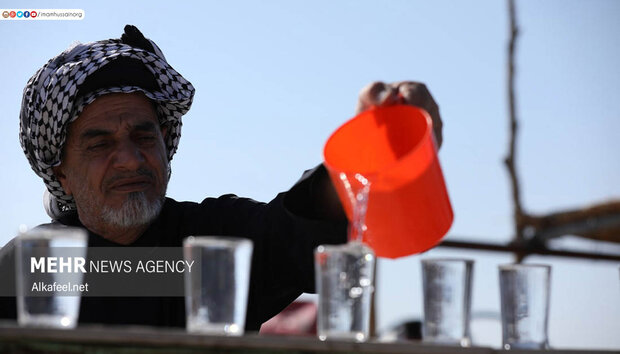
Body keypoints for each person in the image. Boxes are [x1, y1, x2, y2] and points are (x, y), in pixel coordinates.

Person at [0, 25, 443, 332]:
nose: (130, 160)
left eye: (143, 135)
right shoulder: (27, 268)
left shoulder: (215, 240)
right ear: (61, 171)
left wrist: (378, 153)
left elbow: (304, 227)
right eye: (100, 144)